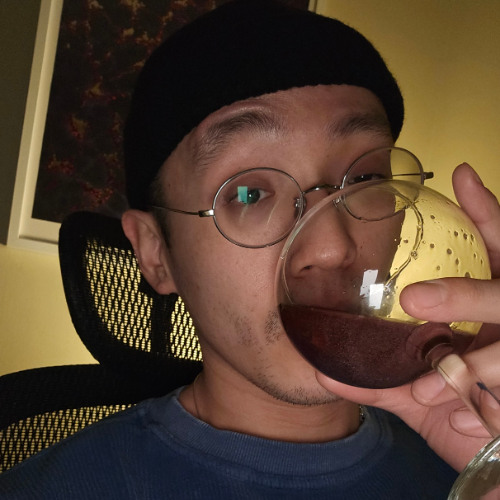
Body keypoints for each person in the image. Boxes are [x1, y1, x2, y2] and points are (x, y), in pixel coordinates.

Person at [1, 0, 500, 497]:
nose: (331, 248)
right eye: (248, 194)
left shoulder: (471, 451)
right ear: (155, 253)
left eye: (366, 179)